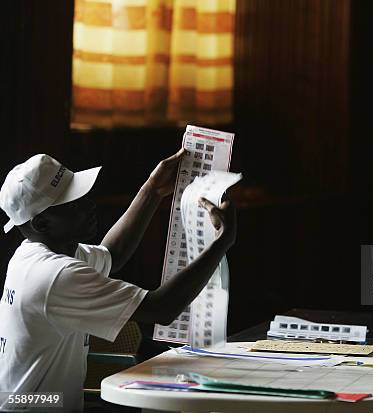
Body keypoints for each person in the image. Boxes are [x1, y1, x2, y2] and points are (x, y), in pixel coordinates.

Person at [0, 150, 236, 412]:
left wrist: (153, 189)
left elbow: (113, 254)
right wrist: (221, 241)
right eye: (73, 203)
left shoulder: (39, 253)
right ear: (42, 223)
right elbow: (163, 307)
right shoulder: (54, 274)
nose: (88, 205)